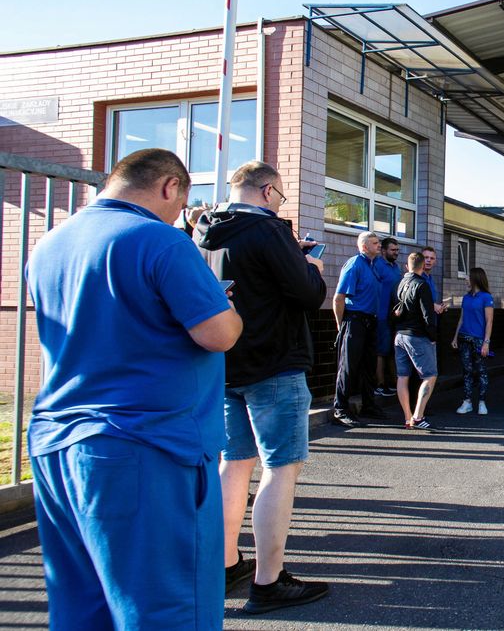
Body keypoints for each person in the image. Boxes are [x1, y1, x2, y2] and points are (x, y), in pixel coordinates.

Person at [25, 148, 243, 629]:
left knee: (85, 606)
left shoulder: (50, 243)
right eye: (180, 203)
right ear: (170, 187)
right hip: (146, 445)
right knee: (165, 609)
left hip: (58, 442)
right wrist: (221, 303)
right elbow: (219, 333)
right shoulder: (160, 240)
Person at [194, 160, 330, 614]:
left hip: (224, 364)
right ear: (268, 191)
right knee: (281, 468)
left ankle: (225, 562)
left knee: (234, 464)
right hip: (274, 362)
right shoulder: (270, 232)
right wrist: (310, 262)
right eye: (282, 195)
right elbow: (309, 294)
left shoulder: (206, 231)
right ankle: (269, 581)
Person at [332, 231, 384, 427]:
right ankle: (340, 409)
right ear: (364, 247)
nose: (379, 245)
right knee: (348, 367)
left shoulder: (373, 265)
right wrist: (340, 324)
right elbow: (339, 298)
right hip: (354, 320)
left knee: (368, 366)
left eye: (378, 242)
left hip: (370, 321)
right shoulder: (355, 264)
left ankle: (368, 406)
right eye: (375, 243)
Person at [393, 251, 439, 429]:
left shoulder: (401, 283)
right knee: (430, 375)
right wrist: (432, 337)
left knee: (402, 376)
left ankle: (407, 417)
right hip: (417, 335)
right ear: (422, 266)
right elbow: (428, 315)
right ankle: (419, 416)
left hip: (399, 335)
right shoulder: (422, 285)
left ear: (408, 266)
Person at [453, 267, 495, 415]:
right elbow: (462, 318)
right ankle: (467, 402)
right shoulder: (466, 297)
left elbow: (489, 321)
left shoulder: (486, 297)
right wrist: (455, 337)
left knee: (482, 371)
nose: (465, 279)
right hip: (464, 338)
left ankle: (482, 402)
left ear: (475, 278)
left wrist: (486, 342)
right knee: (467, 371)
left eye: (467, 277)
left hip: (479, 340)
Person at [374, 237, 404, 402]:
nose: (396, 253)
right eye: (393, 250)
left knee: (392, 350)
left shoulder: (396, 268)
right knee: (381, 351)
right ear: (383, 250)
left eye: (397, 250)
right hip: (381, 315)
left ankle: (392, 382)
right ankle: (379, 384)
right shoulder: (377, 265)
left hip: (394, 316)